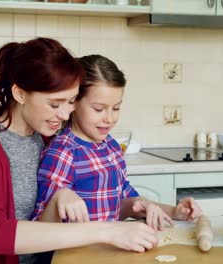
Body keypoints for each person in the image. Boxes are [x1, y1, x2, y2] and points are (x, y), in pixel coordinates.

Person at [0, 39, 158, 264]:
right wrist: (106, 231)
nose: (65, 115)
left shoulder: (47, 140)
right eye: (55, 104)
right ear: (20, 94)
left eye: (71, 102)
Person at [31, 54, 202, 230]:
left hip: (108, 250)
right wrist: (60, 198)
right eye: (99, 109)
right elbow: (40, 228)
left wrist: (174, 212)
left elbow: (123, 205)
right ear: (73, 103)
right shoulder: (64, 152)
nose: (109, 118)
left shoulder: (111, 147)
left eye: (116, 108)